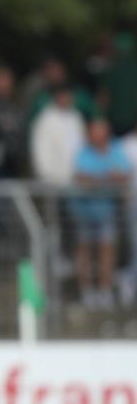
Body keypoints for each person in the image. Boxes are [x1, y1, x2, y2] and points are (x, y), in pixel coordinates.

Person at [70, 118, 130, 310]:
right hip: (84, 211)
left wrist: (98, 179)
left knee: (107, 251)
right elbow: (82, 178)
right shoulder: (83, 152)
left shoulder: (115, 149)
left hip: (107, 212)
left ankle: (104, 290)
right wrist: (106, 178)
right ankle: (86, 291)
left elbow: (124, 174)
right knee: (85, 250)